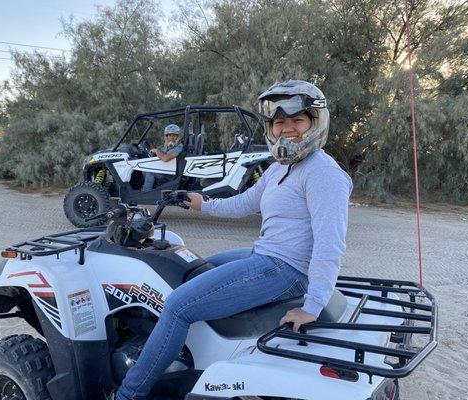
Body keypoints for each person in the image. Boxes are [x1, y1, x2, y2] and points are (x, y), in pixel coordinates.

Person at [112, 80, 352, 400]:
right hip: (266, 256)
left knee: (178, 306)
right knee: (196, 266)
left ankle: (129, 393)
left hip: (286, 270)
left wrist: (313, 305)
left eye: (297, 120)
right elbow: (244, 203)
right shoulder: (280, 169)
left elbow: (329, 243)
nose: (287, 129)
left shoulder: (323, 172)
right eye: (279, 122)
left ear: (314, 123)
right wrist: (200, 203)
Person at [142, 124, 184, 191]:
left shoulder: (179, 147)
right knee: (144, 171)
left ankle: (146, 193)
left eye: (174, 135)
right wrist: (153, 151)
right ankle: (154, 189)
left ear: (178, 136)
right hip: (166, 170)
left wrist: (156, 151)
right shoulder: (168, 146)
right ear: (167, 136)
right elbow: (160, 150)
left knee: (149, 171)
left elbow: (165, 158)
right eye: (170, 135)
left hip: (171, 175)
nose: (172, 137)